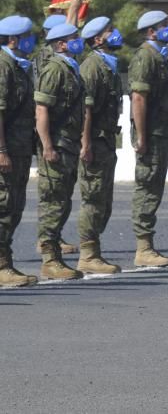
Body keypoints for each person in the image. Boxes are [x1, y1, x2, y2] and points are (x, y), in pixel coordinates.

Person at [35, 22, 86, 280]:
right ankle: (49, 260)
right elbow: (41, 109)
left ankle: (55, 256)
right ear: (62, 43)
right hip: (57, 145)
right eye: (74, 37)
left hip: (68, 144)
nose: (80, 39)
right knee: (53, 203)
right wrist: (47, 146)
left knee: (63, 202)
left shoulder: (71, 68)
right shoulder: (55, 69)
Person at [75, 16, 124, 274]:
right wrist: (85, 143)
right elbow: (86, 110)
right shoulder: (92, 67)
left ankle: (94, 250)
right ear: (97, 39)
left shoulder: (109, 66)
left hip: (105, 140)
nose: (115, 34)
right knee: (93, 199)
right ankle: (88, 254)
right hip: (94, 141)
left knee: (104, 200)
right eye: (109, 31)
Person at [128, 10, 168, 267]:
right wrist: (142, 136)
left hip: (161, 132)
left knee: (154, 189)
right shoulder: (146, 58)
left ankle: (146, 245)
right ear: (151, 31)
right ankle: (143, 248)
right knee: (147, 189)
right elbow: (138, 98)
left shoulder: (160, 58)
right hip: (152, 134)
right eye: (165, 25)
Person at [0, 16, 38, 286]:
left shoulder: (19, 66)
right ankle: (2, 265)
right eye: (27, 35)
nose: (31, 40)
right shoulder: (4, 67)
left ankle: (6, 261)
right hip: (7, 149)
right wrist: (1, 150)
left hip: (20, 148)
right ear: (13, 39)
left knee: (14, 206)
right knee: (3, 207)